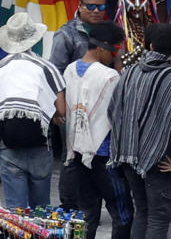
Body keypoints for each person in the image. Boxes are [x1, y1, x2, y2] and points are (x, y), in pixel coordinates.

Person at [107, 24, 171, 239]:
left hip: (128, 158)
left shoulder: (128, 75)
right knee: (158, 216)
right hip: (161, 161)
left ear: (149, 45)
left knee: (142, 212)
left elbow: (113, 112)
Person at [0, 11, 63, 208]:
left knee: (15, 212)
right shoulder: (47, 68)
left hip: (9, 151)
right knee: (41, 210)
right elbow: (61, 109)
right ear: (33, 38)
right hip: (41, 148)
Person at [56, 21, 128, 239]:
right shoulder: (110, 77)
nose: (116, 56)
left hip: (77, 152)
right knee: (122, 212)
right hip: (104, 154)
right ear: (102, 47)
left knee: (87, 213)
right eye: (115, 50)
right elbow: (118, 117)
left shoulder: (69, 70)